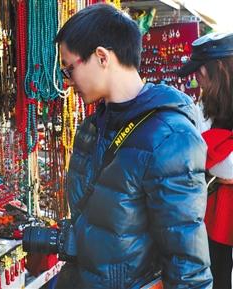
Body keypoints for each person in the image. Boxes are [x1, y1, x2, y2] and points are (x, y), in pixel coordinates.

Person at [54, 3, 213, 288]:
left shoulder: (169, 137)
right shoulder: (92, 129)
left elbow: (187, 265)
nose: (68, 83)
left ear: (101, 57)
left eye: (69, 70)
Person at [177, 32, 233, 289]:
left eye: (200, 72)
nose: (196, 80)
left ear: (219, 68)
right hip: (216, 217)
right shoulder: (206, 106)